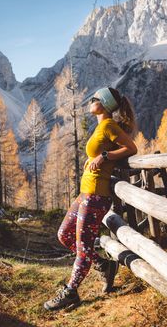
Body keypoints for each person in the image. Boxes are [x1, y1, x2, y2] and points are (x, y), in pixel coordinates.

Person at [44, 87, 138, 311]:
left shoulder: (109, 125)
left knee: (84, 246)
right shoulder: (101, 127)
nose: (91, 101)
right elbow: (100, 151)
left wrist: (105, 156)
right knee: (65, 235)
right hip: (86, 193)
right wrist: (92, 159)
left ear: (104, 104)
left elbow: (131, 147)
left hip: (96, 195)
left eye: (95, 98)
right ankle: (103, 265)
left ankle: (71, 292)